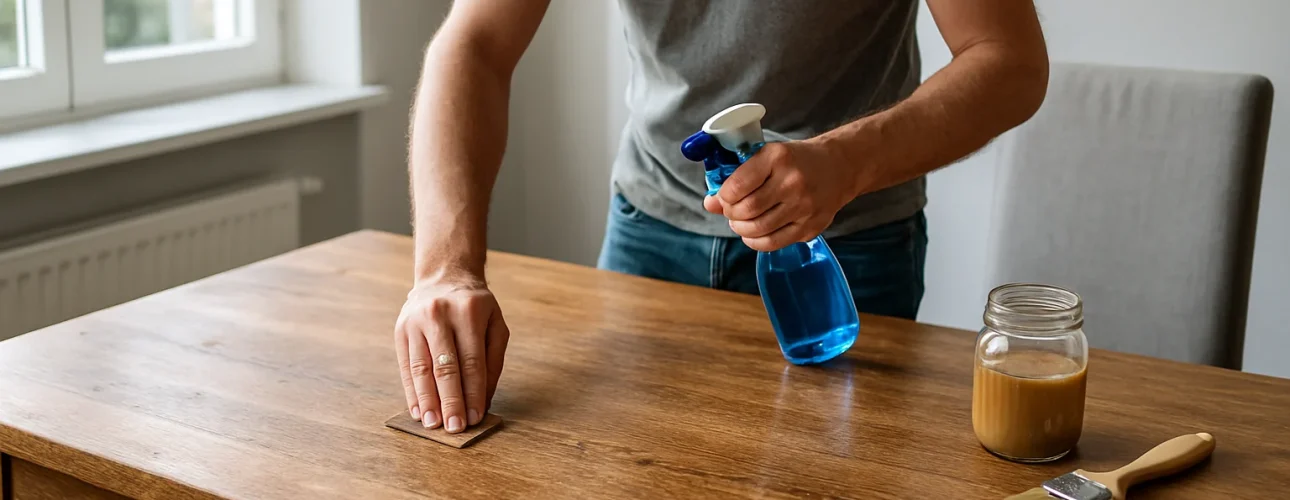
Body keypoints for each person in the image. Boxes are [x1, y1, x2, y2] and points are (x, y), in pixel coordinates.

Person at [396, 0, 1049, 433]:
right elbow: (477, 42)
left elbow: (1008, 59)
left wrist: (844, 163)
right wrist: (445, 269)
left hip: (844, 244)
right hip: (650, 231)